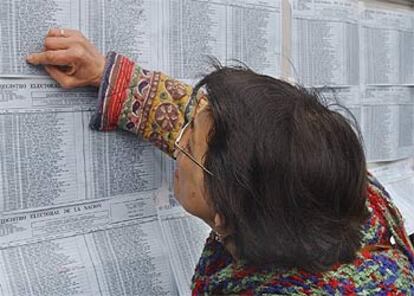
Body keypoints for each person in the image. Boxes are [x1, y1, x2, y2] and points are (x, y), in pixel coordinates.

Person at [27, 28, 414, 295]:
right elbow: (231, 133)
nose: (175, 143)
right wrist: (106, 75)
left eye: (186, 142)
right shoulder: (334, 192)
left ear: (226, 216)